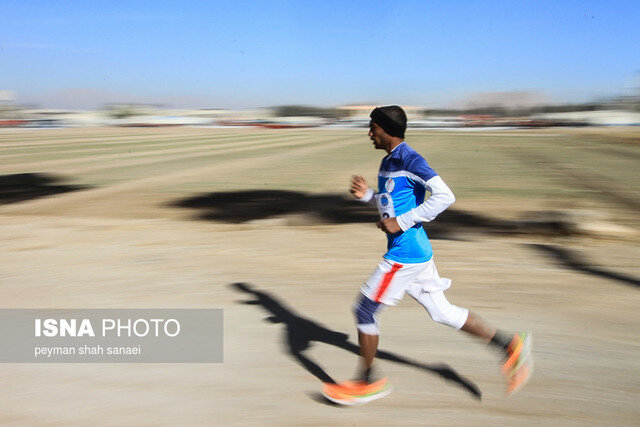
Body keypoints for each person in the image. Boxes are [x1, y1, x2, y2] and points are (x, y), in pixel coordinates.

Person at [322, 105, 532, 405]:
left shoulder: (410, 159)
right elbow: (393, 205)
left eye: (373, 127)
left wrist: (402, 222)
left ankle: (367, 383)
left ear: (386, 130)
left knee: (365, 311)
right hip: (416, 251)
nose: (369, 133)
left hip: (405, 254)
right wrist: (369, 197)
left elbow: (446, 196)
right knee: (442, 312)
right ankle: (509, 344)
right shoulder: (389, 162)